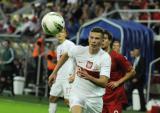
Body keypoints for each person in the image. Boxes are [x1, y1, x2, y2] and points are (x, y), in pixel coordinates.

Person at [49, 27, 111, 113]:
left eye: (97, 38)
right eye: (91, 37)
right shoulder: (79, 50)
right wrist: (54, 73)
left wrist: (88, 77)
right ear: (88, 38)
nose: (93, 41)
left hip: (94, 100)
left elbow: (104, 83)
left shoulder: (105, 57)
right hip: (77, 95)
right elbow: (65, 55)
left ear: (102, 41)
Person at [101, 30, 136, 113]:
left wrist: (118, 82)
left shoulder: (117, 57)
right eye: (101, 38)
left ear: (109, 41)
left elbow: (132, 72)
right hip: (100, 97)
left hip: (114, 98)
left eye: (105, 38)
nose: (102, 41)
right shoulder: (97, 56)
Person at [48, 28, 76, 113]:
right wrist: (55, 74)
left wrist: (75, 74)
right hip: (59, 77)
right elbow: (59, 63)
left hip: (68, 77)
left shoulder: (70, 44)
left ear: (66, 34)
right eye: (57, 33)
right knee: (52, 97)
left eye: (62, 32)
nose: (59, 34)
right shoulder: (59, 47)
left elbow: (78, 59)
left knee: (68, 101)